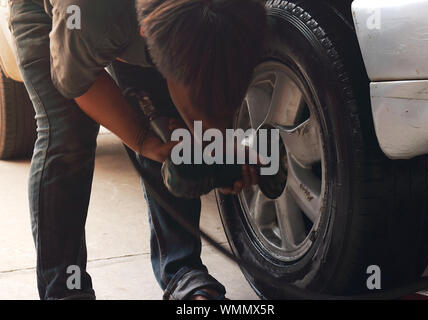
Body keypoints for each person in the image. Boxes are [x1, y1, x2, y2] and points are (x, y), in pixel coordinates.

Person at [9, 0, 267, 300]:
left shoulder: (234, 14)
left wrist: (217, 145)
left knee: (171, 130)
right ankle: (66, 290)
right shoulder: (88, 12)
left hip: (134, 22)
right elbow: (77, 83)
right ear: (149, 35)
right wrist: (144, 140)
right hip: (58, 16)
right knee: (68, 137)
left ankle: (183, 270)